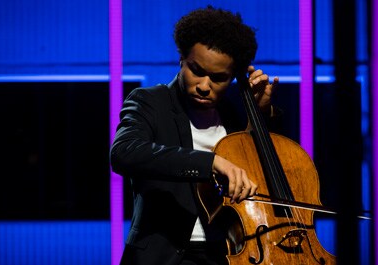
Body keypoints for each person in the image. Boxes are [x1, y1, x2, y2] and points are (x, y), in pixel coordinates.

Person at [111, 5, 279, 265]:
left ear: (233, 77)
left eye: (218, 78)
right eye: (196, 70)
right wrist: (209, 162)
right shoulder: (150, 102)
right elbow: (124, 153)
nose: (203, 86)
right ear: (182, 59)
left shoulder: (235, 116)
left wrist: (260, 116)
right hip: (164, 256)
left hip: (226, 253)